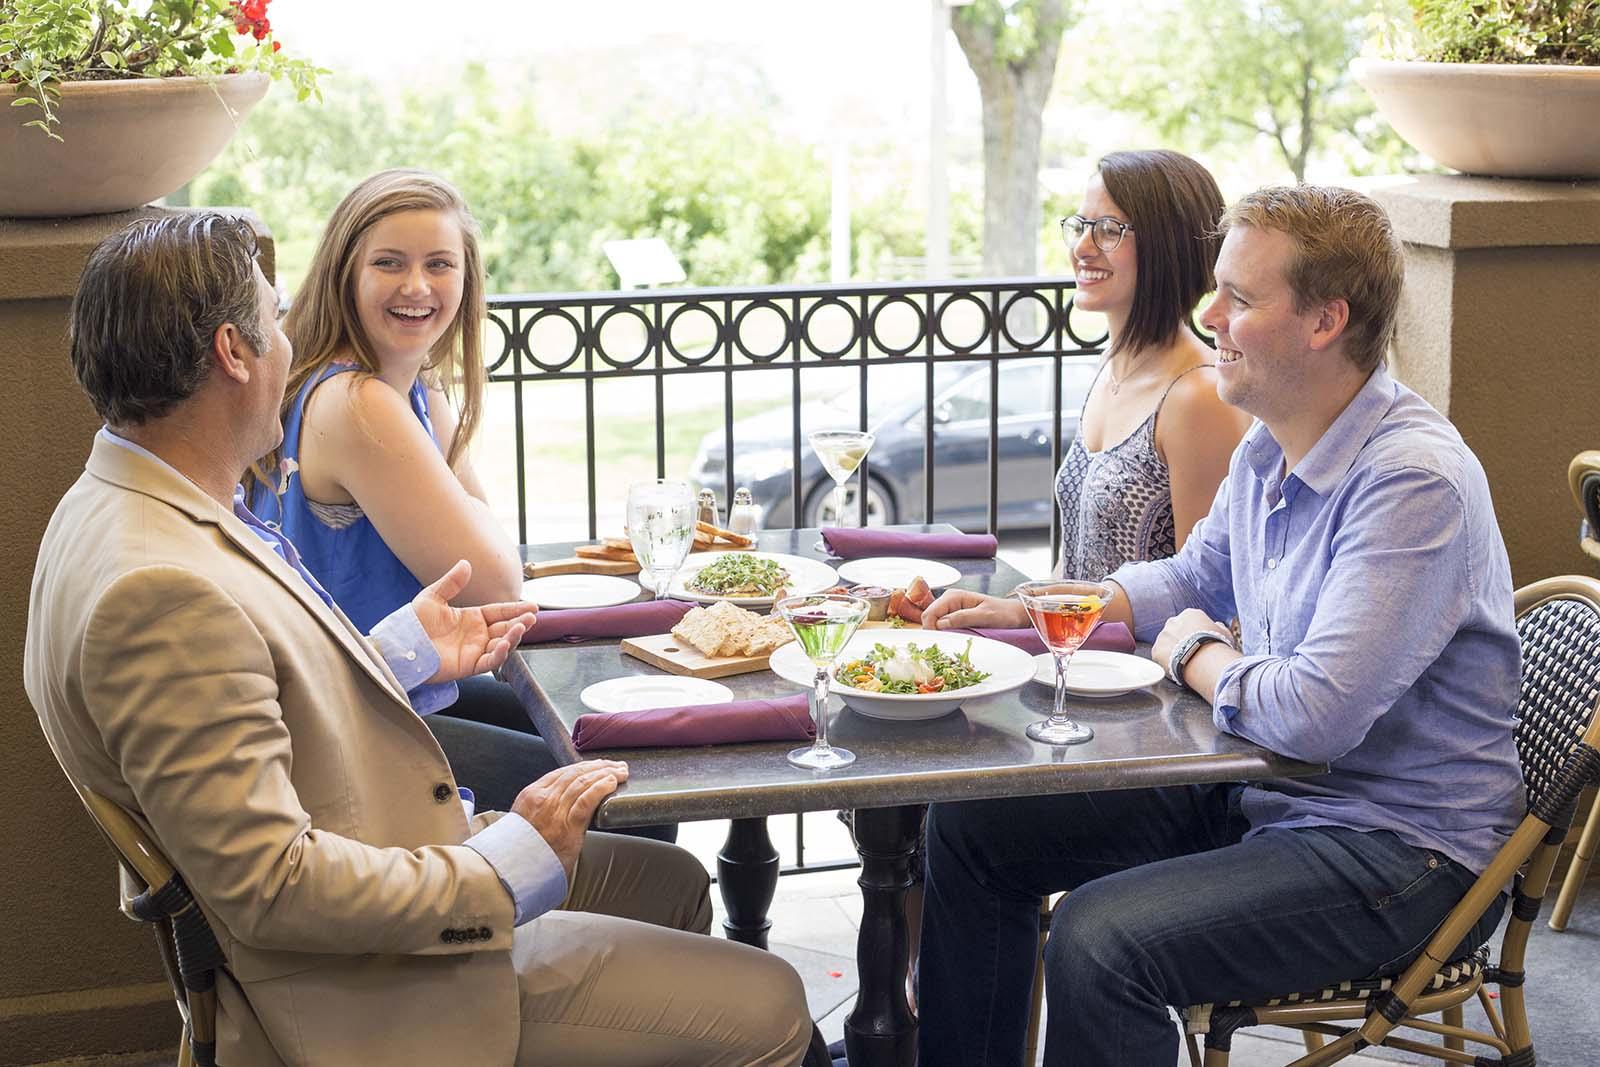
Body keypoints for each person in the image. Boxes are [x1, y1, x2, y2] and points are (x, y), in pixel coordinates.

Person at [24, 212, 811, 1066]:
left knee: (674, 880)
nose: (292, 343)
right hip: (369, 988)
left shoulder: (125, 501)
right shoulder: (159, 591)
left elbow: (253, 686)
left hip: (385, 863)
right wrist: (509, 862)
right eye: (276, 319)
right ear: (233, 352)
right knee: (776, 1000)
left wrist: (398, 652)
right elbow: (270, 888)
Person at [913, 185, 1525, 1066]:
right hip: (1274, 794)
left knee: (1098, 938)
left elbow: (1312, 715)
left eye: (1238, 297)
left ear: (1325, 321)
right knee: (971, 829)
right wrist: (1042, 604)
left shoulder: (1411, 481)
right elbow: (1192, 575)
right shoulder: (1275, 440)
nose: (1208, 314)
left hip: (1400, 854)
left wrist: (1191, 649)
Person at [243, 169, 627, 826]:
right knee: (616, 786)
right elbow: (497, 581)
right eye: (389, 263)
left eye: (438, 264)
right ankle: (557, 923)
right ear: (345, 273)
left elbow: (491, 555)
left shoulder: (403, 386)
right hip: (358, 731)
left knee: (600, 726)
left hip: (389, 689)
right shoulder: (359, 404)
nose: (417, 286)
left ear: (466, 281)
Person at [1056, 149, 1251, 578]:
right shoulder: (1110, 366)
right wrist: (1002, 611)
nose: (1083, 248)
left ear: (1167, 247)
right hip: (1073, 640)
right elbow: (1068, 570)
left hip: (1140, 646)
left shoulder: (1197, 396)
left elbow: (1202, 591)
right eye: (1079, 226)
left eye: (1109, 230)